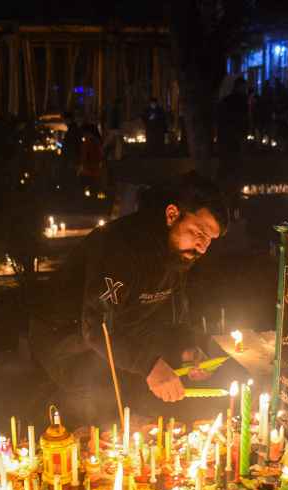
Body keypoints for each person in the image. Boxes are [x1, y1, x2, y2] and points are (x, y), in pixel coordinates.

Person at [29, 172, 229, 427]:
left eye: (209, 240)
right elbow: (95, 328)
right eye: (198, 232)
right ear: (171, 215)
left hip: (120, 338)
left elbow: (172, 315)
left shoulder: (178, 254)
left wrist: (186, 348)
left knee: (137, 417)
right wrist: (148, 365)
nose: (202, 247)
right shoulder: (122, 248)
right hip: (67, 338)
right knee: (97, 415)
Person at [78, 124, 104, 194]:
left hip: (89, 172)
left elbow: (86, 157)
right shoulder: (95, 142)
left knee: (89, 193)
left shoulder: (91, 142)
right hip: (93, 172)